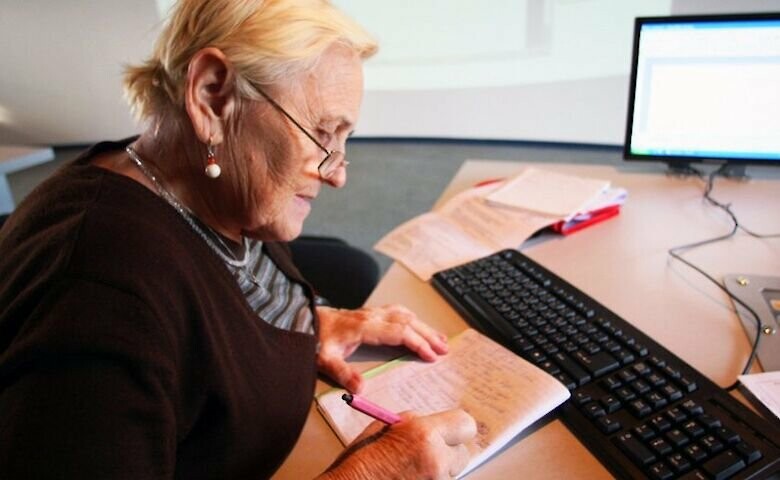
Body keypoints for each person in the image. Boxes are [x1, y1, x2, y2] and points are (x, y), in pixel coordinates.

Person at [0, 1, 476, 479]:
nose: (338, 174)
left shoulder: (200, 186)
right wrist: (374, 474)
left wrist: (307, 325)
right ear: (211, 96)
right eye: (321, 134)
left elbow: (216, 307)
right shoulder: (100, 304)